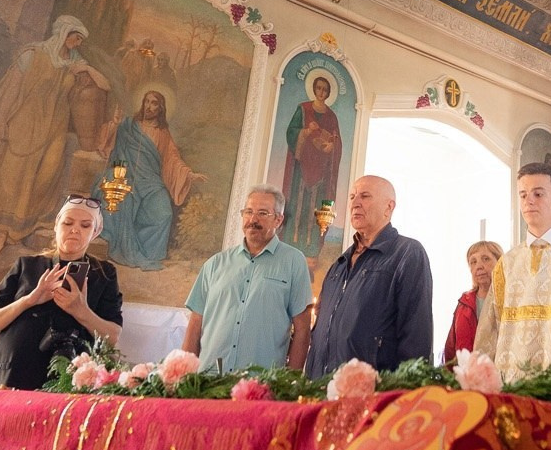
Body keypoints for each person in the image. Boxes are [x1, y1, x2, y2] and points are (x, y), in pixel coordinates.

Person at [0, 15, 110, 245]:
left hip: (55, 126)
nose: (78, 43)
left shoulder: (74, 61)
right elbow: (10, 90)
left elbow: (105, 85)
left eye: (80, 40)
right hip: (26, 122)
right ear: (63, 33)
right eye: (76, 37)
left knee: (46, 174)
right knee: (15, 175)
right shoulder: (33, 55)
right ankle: (3, 230)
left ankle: (26, 224)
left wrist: (86, 68)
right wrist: (2, 123)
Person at [0, 197, 121, 389]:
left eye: (85, 225)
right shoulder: (26, 265)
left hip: (68, 381)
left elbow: (112, 338)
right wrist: (29, 300)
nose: (75, 230)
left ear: (96, 232)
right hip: (10, 375)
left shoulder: (104, 274)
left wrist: (81, 311)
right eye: (68, 223)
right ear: (56, 225)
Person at [305, 176, 433, 379]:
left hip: (375, 388)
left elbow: (416, 336)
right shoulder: (339, 264)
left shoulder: (407, 253)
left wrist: (403, 390)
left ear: (389, 207)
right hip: (322, 386)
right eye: (352, 197)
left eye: (365, 196)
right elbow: (320, 330)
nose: (355, 203)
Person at [182, 188, 312, 373]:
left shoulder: (294, 262)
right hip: (209, 379)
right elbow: (195, 324)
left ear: (278, 219)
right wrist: (185, 377)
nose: (253, 219)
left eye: (262, 213)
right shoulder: (215, 264)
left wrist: (291, 381)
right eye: (249, 212)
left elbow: (303, 330)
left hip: (260, 382)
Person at [475, 165, 551, 379]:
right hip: (510, 384)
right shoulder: (507, 262)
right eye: (523, 195)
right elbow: (489, 332)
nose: (529, 201)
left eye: (538, 194)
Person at [103, 90, 203, 270]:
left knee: (164, 213)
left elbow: (172, 158)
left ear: (161, 108)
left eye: (154, 103)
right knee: (123, 202)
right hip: (127, 176)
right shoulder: (129, 125)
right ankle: (127, 249)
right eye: (147, 102)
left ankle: (148, 254)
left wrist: (189, 174)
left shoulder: (163, 134)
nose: (149, 107)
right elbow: (109, 143)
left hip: (151, 181)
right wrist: (115, 124)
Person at [281, 75, 344, 257]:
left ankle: (310, 248)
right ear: (314, 89)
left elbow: (336, 141)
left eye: (325, 89)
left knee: (315, 207)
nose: (321, 92)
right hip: (302, 166)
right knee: (297, 203)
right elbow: (291, 133)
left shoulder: (331, 116)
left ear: (328, 93)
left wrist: (332, 146)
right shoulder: (303, 109)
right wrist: (307, 131)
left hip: (321, 170)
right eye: (319, 88)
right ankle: (291, 243)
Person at [442, 240, 503, 362]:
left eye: (486, 259)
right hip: (467, 371)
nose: (479, 266)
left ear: (500, 263)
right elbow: (450, 347)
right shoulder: (464, 303)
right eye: (473, 262)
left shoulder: (509, 300)